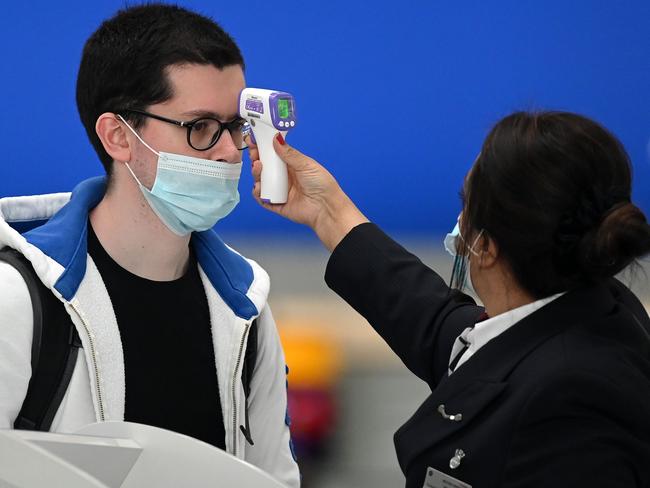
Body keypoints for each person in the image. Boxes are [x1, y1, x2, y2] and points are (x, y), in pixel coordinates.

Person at [249, 112, 650, 487]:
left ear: (486, 246)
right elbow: (438, 322)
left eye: (465, 202)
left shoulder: (574, 401)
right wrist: (326, 210)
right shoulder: (592, 311)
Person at [0, 4, 299, 486]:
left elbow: (275, 479)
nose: (228, 150)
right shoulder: (17, 299)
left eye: (236, 127)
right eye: (200, 126)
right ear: (119, 135)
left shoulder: (246, 309)